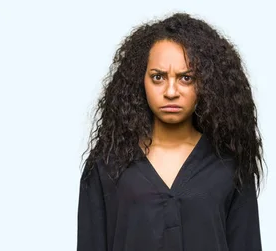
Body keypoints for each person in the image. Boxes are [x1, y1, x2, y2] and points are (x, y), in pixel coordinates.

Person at [78, 12, 264, 251]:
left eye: (186, 78)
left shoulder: (230, 165)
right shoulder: (107, 165)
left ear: (206, 83)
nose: (171, 91)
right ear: (140, 80)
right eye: (158, 77)